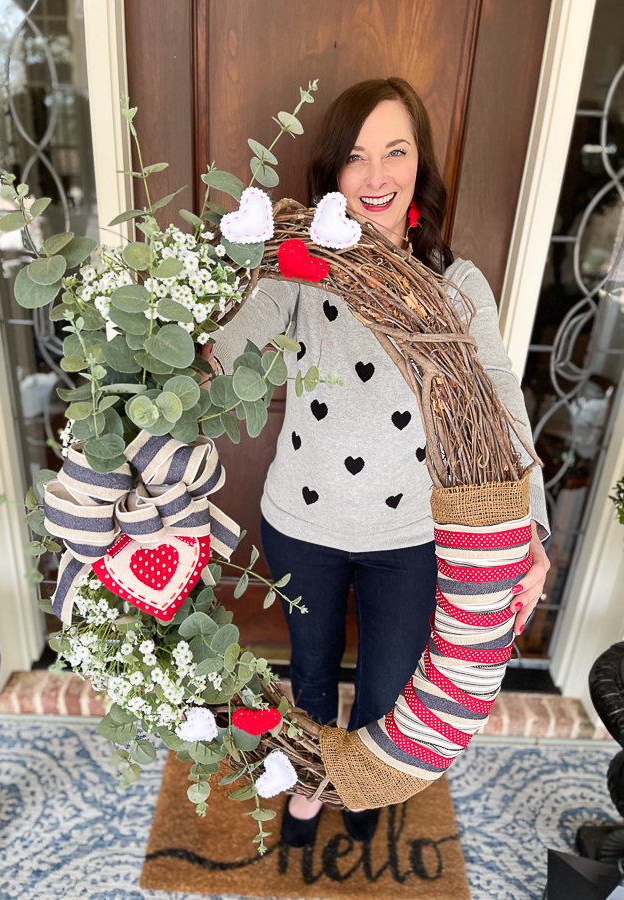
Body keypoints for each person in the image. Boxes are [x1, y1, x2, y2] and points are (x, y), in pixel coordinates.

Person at [202, 77, 550, 846]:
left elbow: (502, 408)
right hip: (303, 523)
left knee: (392, 685)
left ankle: (360, 784)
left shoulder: (455, 285)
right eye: (356, 159)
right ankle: (308, 786)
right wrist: (196, 325)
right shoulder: (300, 271)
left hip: (410, 538)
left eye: (395, 152)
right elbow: (230, 353)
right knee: (312, 676)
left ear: (419, 166)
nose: (376, 176)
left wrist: (533, 533)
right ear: (333, 176)